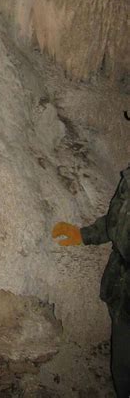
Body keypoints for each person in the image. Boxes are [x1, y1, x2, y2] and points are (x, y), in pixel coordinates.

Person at [52, 165, 130, 398]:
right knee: (123, 366)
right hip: (123, 293)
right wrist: (84, 235)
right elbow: (117, 220)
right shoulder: (129, 179)